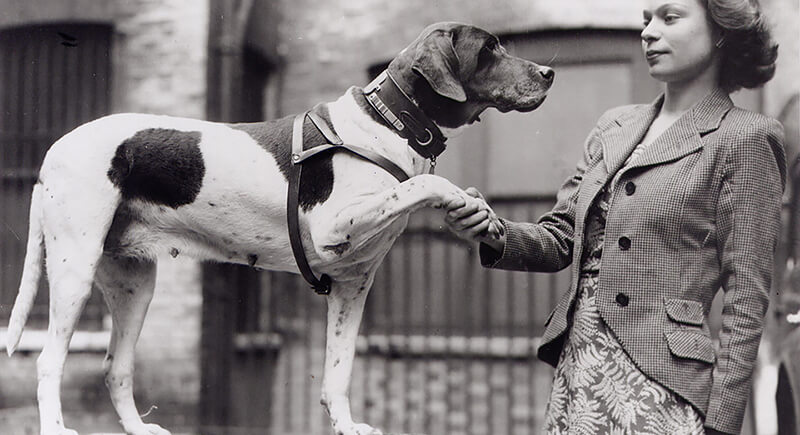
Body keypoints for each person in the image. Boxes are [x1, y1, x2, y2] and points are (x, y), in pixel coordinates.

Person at [444, 0, 785, 433]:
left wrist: (721, 423)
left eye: (669, 17)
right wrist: (492, 230)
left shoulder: (746, 137)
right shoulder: (614, 126)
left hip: (664, 388)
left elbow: (747, 296)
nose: (648, 32)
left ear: (721, 31)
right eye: (645, 21)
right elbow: (561, 237)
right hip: (579, 371)